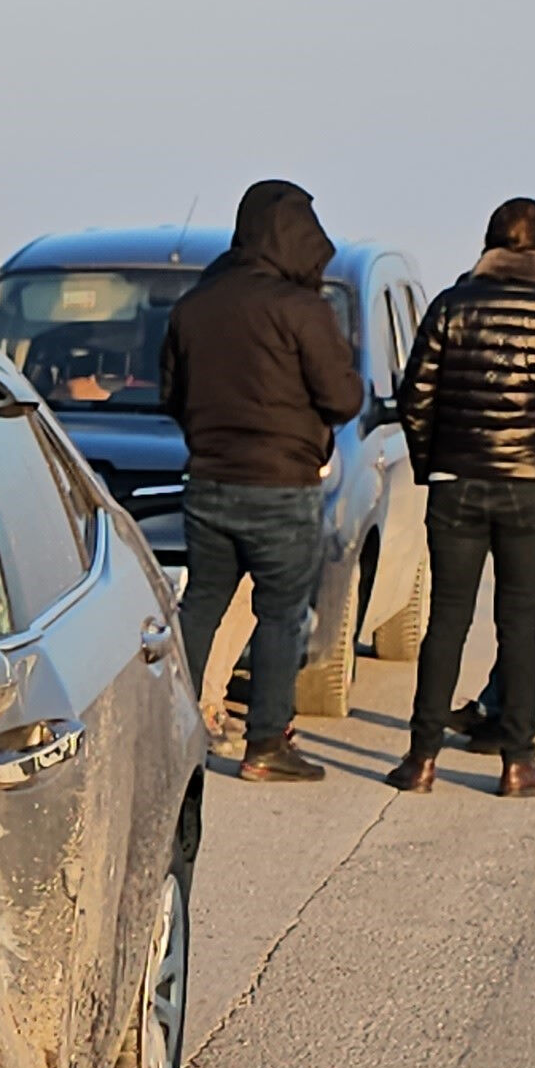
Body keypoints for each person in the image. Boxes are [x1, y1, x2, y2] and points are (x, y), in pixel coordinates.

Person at [387, 195, 535, 799]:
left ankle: (421, 760)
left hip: (458, 487)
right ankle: (516, 764)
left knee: (447, 622)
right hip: (533, 492)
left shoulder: (452, 306)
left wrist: (434, 465)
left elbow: (414, 398)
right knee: (519, 625)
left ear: (488, 244)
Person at [157, 180, 362, 782]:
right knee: (281, 615)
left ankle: (172, 729)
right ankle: (267, 744)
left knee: (201, 606)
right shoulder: (303, 309)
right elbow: (343, 396)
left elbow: (173, 394)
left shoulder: (195, 305)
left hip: (210, 481)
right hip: (283, 486)